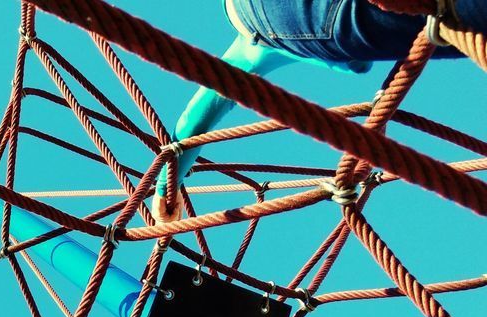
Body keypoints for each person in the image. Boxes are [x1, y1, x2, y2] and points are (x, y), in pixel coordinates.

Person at [152, 0, 487, 222]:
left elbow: (191, 124)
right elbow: (193, 121)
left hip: (290, 20)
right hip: (305, 23)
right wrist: (167, 185)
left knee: (453, 18)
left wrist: (166, 190)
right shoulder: (251, 47)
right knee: (451, 19)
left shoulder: (249, 42)